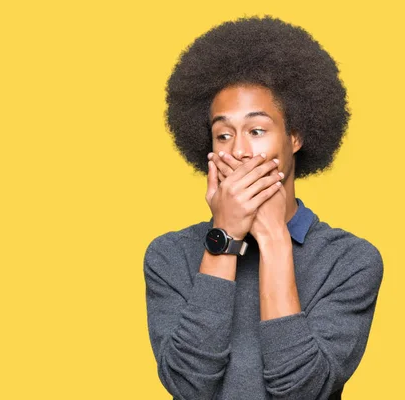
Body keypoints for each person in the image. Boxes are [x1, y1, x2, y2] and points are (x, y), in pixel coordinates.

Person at [143, 16, 383, 400]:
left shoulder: (350, 260)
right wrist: (223, 239)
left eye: (256, 131)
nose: (237, 150)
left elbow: (303, 391)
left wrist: (273, 238)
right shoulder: (170, 255)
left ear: (295, 136)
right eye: (223, 134)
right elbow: (189, 385)